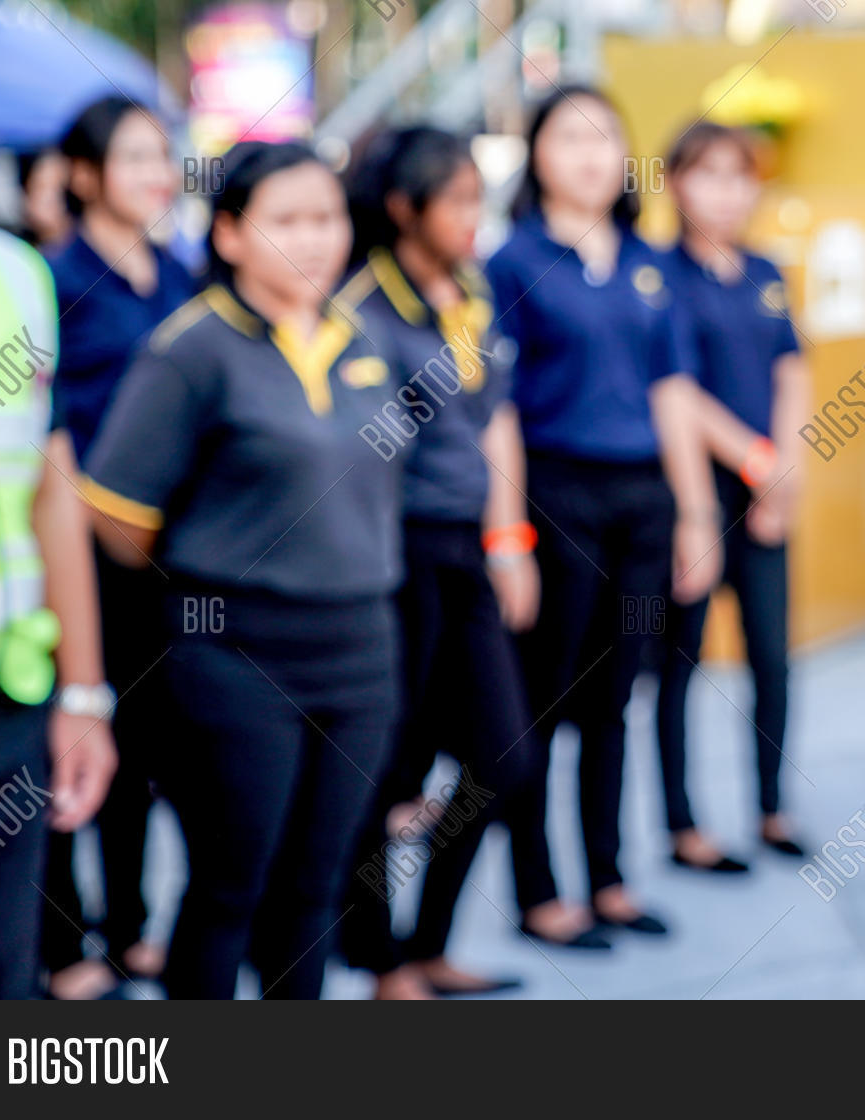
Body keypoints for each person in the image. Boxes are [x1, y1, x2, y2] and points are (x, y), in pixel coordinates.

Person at [80, 141, 403, 999]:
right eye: (287, 220)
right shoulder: (189, 351)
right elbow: (115, 514)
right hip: (236, 655)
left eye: (327, 217)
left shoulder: (361, 336)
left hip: (361, 648)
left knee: (318, 888)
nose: (315, 238)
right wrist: (216, 569)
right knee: (233, 884)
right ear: (228, 234)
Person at [485, 86, 722, 944]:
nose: (590, 154)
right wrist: (506, 533)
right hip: (556, 497)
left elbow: (672, 392)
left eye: (606, 137)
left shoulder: (646, 262)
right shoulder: (509, 261)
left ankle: (610, 878)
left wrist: (696, 513)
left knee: (617, 696)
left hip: (643, 503)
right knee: (544, 705)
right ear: (536, 154)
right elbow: (497, 408)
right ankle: (540, 894)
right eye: (568, 136)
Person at [336, 126, 534, 998]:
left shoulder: (472, 293)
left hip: (464, 548)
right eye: (455, 201)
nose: (471, 218)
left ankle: (428, 944)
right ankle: (381, 961)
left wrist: (507, 540)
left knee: (504, 757)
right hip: (393, 555)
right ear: (402, 208)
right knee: (385, 766)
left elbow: (492, 421)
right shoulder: (358, 307)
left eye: (476, 200)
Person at [0, 59, 117, 999]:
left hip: (11, 689)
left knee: (4, 980)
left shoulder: (17, 272)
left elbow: (50, 487)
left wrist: (87, 693)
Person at [40, 94, 193, 1000]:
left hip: (164, 553)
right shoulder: (54, 279)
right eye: (132, 158)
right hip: (80, 547)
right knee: (70, 738)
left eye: (161, 156)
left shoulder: (177, 273)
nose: (153, 175)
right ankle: (64, 945)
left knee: (140, 744)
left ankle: (131, 927)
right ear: (86, 175)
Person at [654, 121, 810, 872]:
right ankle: (683, 827)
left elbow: (792, 369)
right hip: (694, 494)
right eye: (708, 174)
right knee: (678, 665)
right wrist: (754, 459)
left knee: (773, 659)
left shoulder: (764, 271)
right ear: (676, 183)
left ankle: (773, 808)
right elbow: (675, 388)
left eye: (739, 175)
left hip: (767, 492)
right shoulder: (660, 276)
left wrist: (786, 468)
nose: (726, 191)